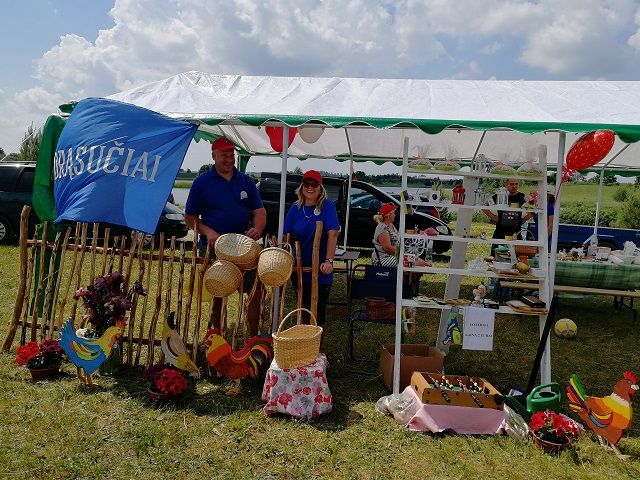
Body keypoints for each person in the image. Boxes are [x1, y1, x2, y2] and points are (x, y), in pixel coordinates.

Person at [184, 137, 267, 336]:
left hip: (244, 249)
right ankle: (218, 337)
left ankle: (254, 337)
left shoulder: (246, 181)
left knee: (255, 291)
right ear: (214, 156)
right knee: (218, 292)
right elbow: (189, 217)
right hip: (215, 249)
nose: (229, 159)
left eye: (232, 155)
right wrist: (208, 232)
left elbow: (259, 212)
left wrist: (257, 228)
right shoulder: (201, 182)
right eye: (224, 155)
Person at [283, 170, 340, 327]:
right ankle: (304, 340)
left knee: (318, 314)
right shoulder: (295, 208)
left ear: (320, 188)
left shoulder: (327, 206)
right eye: (307, 184)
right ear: (302, 187)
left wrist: (329, 261)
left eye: (314, 184)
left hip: (321, 270)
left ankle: (317, 342)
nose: (310, 188)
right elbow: (285, 236)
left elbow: (333, 234)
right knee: (303, 310)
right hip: (299, 269)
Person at [483, 178, 532, 256]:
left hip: (516, 233)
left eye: (516, 184)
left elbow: (534, 206)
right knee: (496, 256)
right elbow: (484, 206)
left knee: (516, 257)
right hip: (500, 232)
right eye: (512, 184)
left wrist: (525, 219)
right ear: (506, 185)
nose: (514, 186)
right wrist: (493, 216)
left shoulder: (522, 196)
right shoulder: (499, 195)